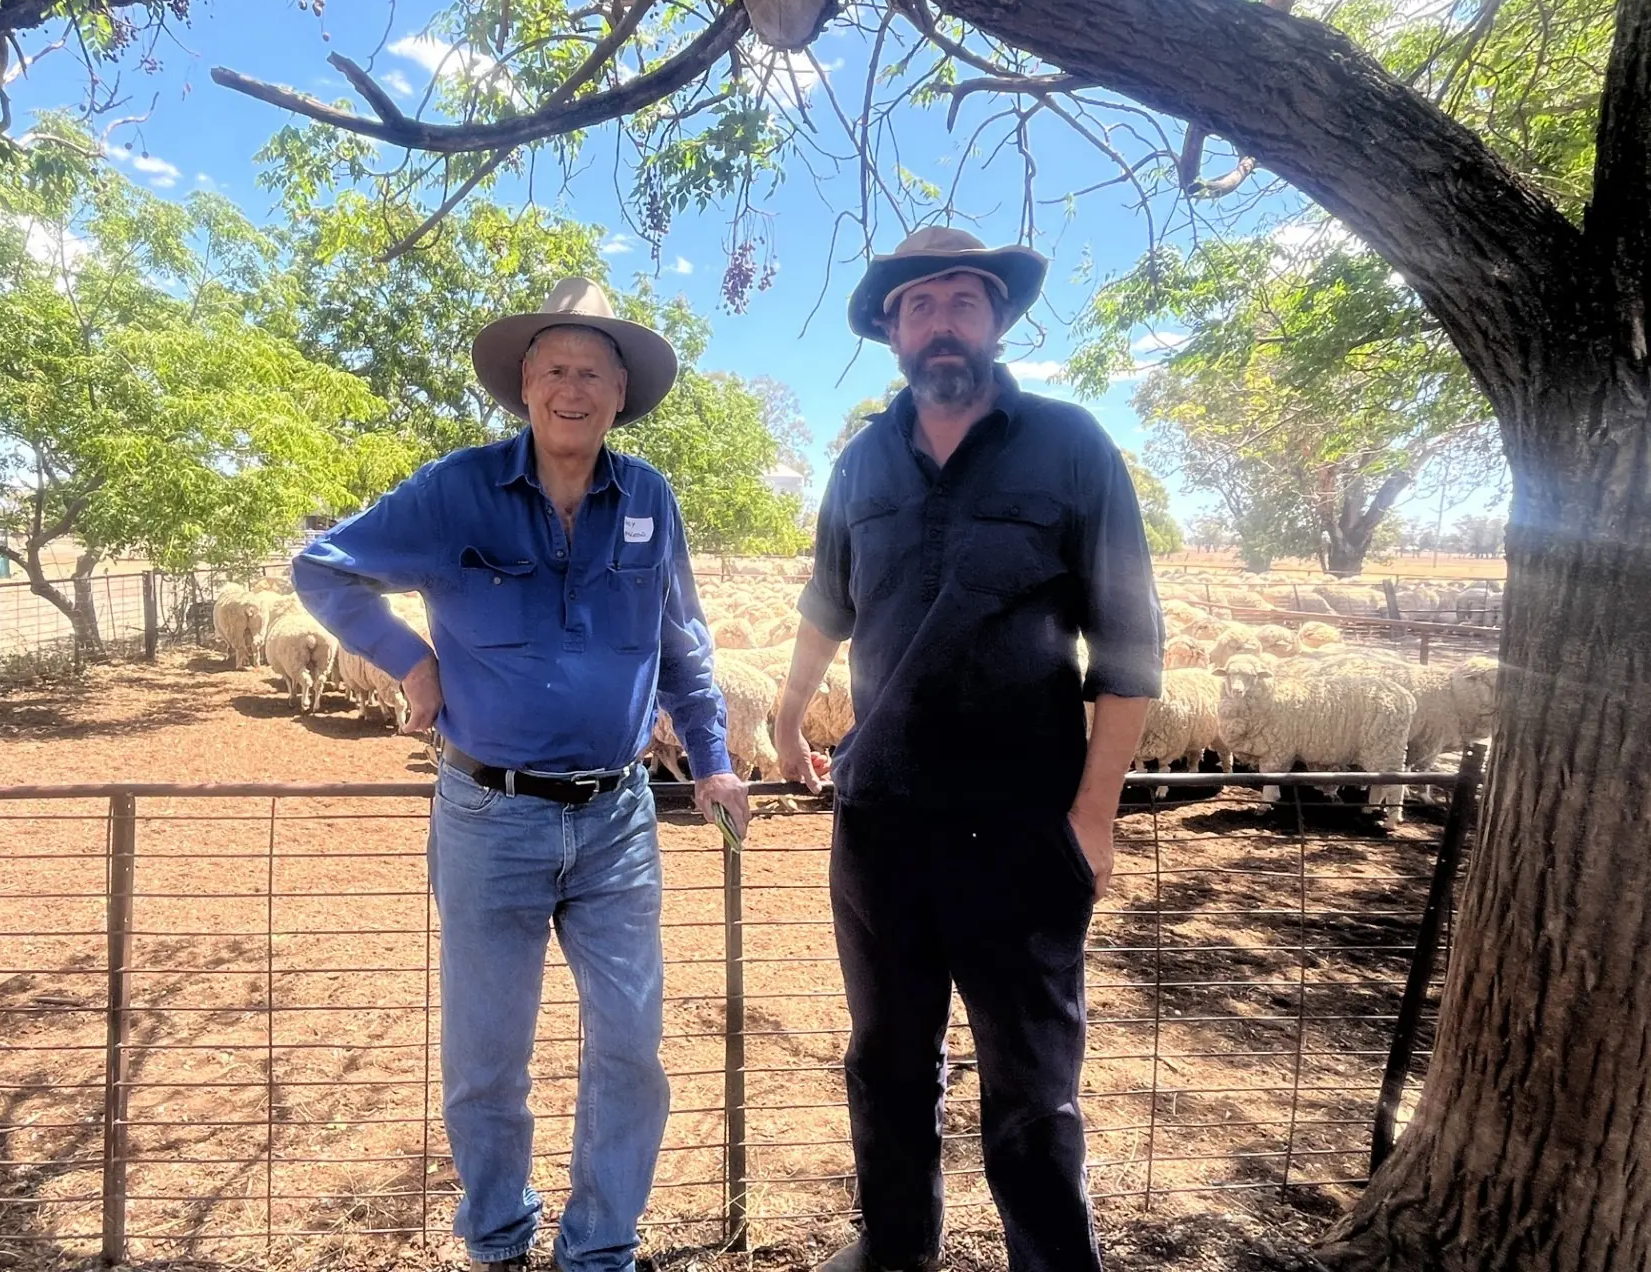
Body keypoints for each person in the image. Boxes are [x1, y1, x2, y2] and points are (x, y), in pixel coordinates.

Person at [293, 277, 753, 1272]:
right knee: (485, 1063)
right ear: (524, 384)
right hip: (488, 815)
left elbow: (686, 647)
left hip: (618, 818)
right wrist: (407, 655)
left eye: (592, 370)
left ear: (620, 389)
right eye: (553, 368)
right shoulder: (455, 488)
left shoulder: (651, 499)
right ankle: (499, 1239)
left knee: (630, 1046)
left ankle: (599, 1247)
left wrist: (711, 761)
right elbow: (321, 566)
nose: (571, 388)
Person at [771, 228, 1162, 1272]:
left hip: (1023, 825)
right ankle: (898, 1245)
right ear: (893, 329)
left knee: (1032, 1077)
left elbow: (1129, 644)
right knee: (887, 1057)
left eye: (963, 301)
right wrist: (786, 710)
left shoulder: (1073, 447)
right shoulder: (859, 458)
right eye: (920, 305)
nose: (942, 320)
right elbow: (828, 598)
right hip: (881, 819)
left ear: (996, 319)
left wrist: (1094, 815)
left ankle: (1051, 1259)